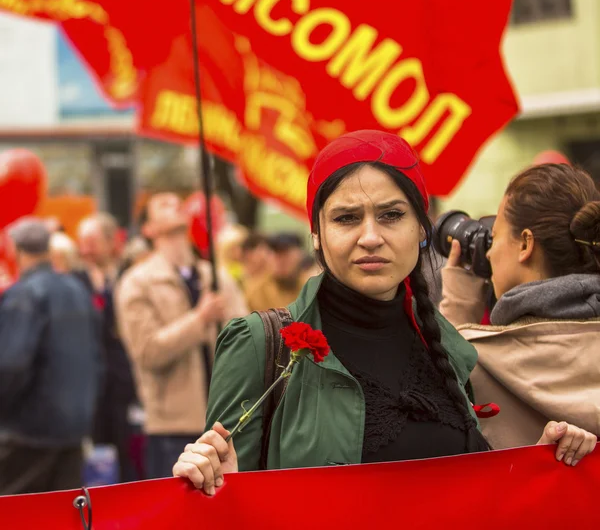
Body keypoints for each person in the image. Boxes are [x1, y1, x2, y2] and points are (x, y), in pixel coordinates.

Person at [171, 131, 596, 494]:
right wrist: (212, 486)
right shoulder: (260, 346)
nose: (370, 237)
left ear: (420, 228)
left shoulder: (451, 349)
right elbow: (223, 502)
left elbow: (471, 498)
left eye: (392, 215)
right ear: (316, 235)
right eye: (346, 218)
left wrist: (541, 461)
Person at [440, 163, 600, 452]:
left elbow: (442, 377)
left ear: (525, 244)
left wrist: (458, 310)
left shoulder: (477, 359)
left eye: (496, 234)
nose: (488, 252)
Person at [115, 193, 248, 479]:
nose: (175, 204)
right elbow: (148, 352)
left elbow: (245, 337)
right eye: (162, 204)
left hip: (225, 423)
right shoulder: (136, 282)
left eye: (177, 202)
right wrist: (199, 319)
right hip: (172, 428)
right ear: (148, 229)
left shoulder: (216, 275)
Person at [0, 218, 101, 495]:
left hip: (28, 433)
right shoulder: (77, 290)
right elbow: (96, 358)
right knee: (62, 514)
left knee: (18, 516)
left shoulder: (24, 295)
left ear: (16, 251)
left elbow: (11, 365)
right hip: (73, 430)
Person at [76, 213, 139, 482]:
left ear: (112, 242)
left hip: (126, 384)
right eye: (82, 243)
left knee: (130, 453)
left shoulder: (130, 278)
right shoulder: (75, 281)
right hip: (90, 385)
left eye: (92, 242)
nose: (86, 250)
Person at [244, 232, 306, 311]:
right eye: (274, 253)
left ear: (299, 255)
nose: (279, 259)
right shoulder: (256, 291)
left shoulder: (311, 288)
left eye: (285, 253)